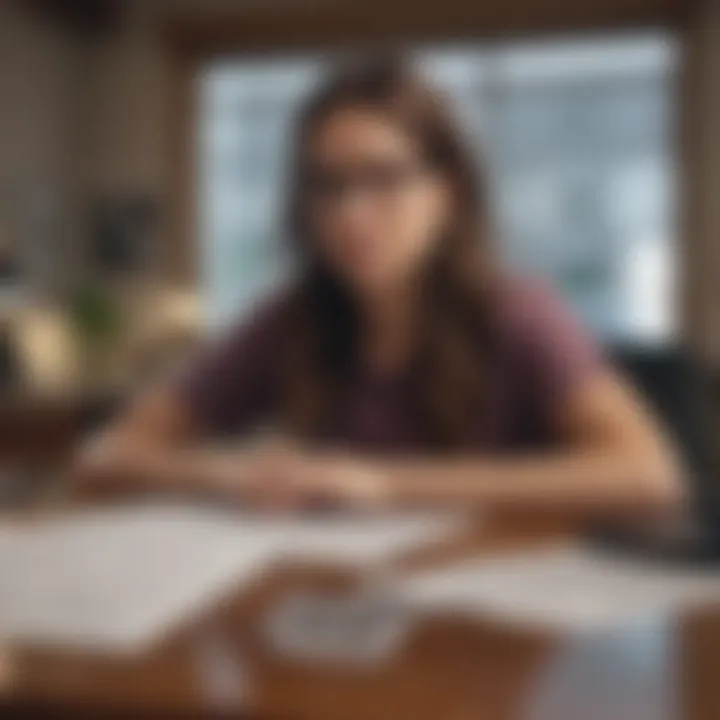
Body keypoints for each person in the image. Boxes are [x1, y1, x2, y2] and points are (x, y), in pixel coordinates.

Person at [78, 56, 682, 515]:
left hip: (482, 642)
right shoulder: (292, 320)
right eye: (326, 184)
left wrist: (381, 483)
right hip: (337, 628)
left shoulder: (519, 315)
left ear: (448, 193)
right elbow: (109, 456)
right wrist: (237, 476)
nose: (350, 213)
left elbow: (649, 473)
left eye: (383, 177)